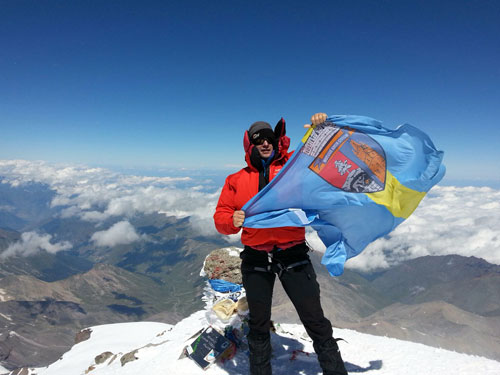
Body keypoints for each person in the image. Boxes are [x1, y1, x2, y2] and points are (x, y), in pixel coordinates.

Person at [213, 113, 348, 375]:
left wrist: (321, 129)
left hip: (292, 254)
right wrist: (231, 219)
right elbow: (220, 218)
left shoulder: (292, 170)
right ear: (249, 145)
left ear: (277, 142)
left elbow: (319, 157)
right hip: (256, 258)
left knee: (314, 319)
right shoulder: (236, 180)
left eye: (269, 139)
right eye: (259, 140)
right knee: (259, 322)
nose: (265, 143)